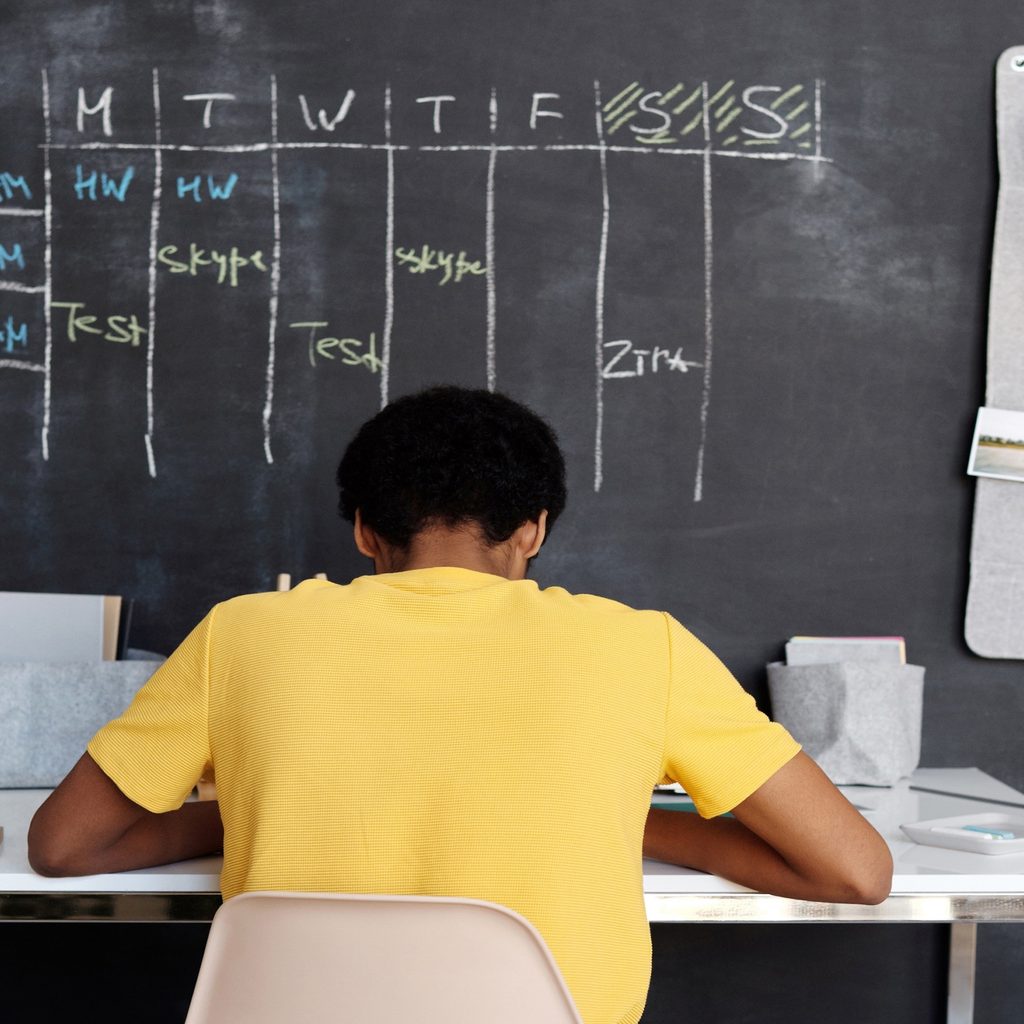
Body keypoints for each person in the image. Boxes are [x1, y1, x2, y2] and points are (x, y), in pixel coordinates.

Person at [29, 385, 892, 1024]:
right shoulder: (644, 645)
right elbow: (855, 871)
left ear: (365, 530)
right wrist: (636, 821)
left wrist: (253, 812)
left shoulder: (241, 634)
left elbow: (63, 848)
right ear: (534, 531)